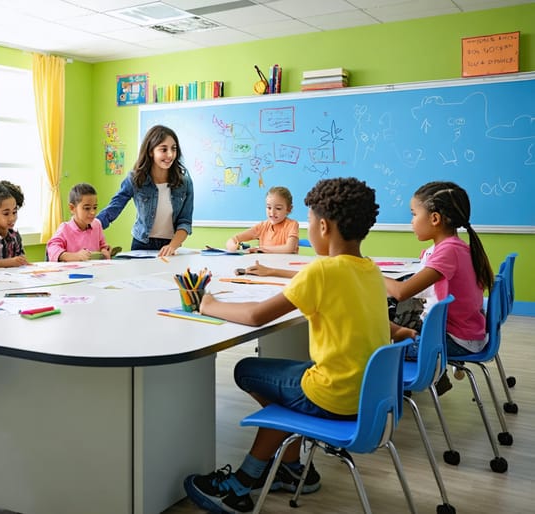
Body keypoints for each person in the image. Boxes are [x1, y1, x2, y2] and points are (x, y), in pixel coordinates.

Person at [184, 177, 390, 513]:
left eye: (309, 223)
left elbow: (255, 316)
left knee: (247, 369)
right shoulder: (371, 270)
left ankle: (243, 482)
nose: (308, 229)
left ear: (323, 226)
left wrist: (207, 305)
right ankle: (292, 467)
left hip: (331, 394)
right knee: (282, 379)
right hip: (367, 395)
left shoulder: (322, 271)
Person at [385, 181, 493, 394]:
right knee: (395, 322)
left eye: (414, 214)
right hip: (464, 333)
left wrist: (368, 271)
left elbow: (401, 292)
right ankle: (436, 375)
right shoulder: (454, 247)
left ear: (435, 219)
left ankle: (430, 374)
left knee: (377, 342)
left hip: (454, 340)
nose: (412, 221)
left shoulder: (448, 251)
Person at [96, 124, 194, 258]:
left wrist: (172, 246)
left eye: (174, 149)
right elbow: (113, 209)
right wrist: (88, 227)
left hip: (171, 246)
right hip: (141, 244)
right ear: (150, 151)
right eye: (163, 149)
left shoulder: (184, 182)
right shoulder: (136, 179)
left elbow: (185, 221)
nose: (170, 154)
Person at [46, 183, 112, 262]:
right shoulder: (65, 228)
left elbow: (103, 245)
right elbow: (52, 249)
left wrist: (105, 250)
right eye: (87, 208)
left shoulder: (97, 224)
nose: (93, 212)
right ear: (72, 208)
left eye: (95, 207)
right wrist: (75, 256)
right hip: (72, 272)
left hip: (94, 270)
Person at [226, 186, 299, 254]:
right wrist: (233, 246)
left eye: (278, 208)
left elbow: (289, 248)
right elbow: (234, 239)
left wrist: (261, 249)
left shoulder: (292, 225)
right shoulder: (262, 226)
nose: (272, 212)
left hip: (284, 266)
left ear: (289, 209)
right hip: (265, 266)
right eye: (269, 207)